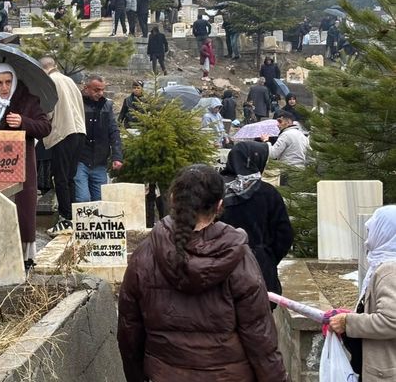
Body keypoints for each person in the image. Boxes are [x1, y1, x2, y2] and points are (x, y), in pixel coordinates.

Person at [118, 164, 287, 381]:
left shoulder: (144, 255)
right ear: (219, 205)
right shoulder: (238, 256)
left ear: (172, 198)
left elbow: (129, 333)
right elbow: (261, 339)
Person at [0, 64, 51, 268]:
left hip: (21, 162)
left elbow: (45, 127)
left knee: (22, 206)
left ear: (14, 81)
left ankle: (25, 257)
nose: (4, 87)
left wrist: (23, 121)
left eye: (8, 82)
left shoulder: (27, 100)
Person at [329, 205, 396, 381]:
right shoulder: (386, 263)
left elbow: (392, 320)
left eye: (372, 230)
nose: (368, 237)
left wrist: (348, 322)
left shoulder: (390, 270)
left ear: (385, 231)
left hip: (385, 371)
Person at [220, 141, 293, 296]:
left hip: (219, 267)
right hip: (259, 270)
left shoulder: (215, 190)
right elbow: (284, 235)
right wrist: (268, 257)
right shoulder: (268, 193)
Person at [40, 57, 86, 237]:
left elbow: (48, 111)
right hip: (79, 131)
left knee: (60, 178)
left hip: (63, 132)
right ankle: (72, 217)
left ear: (42, 69)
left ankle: (65, 219)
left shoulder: (49, 81)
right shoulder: (69, 80)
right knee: (70, 177)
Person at [74, 74, 122, 202]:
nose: (100, 93)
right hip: (80, 158)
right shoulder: (77, 104)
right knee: (83, 199)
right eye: (96, 90)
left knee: (100, 200)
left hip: (99, 160)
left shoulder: (107, 106)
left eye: (102, 90)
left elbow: (114, 131)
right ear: (86, 88)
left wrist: (117, 156)